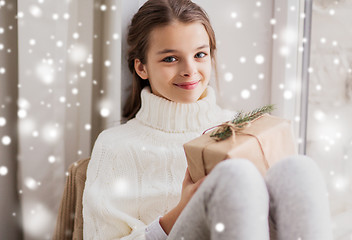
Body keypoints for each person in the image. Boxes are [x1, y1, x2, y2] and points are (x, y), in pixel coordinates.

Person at [82, 0, 334, 239]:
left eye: (200, 55)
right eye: (170, 58)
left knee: (299, 169)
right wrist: (181, 210)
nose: (189, 70)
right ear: (141, 68)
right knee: (234, 175)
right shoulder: (115, 146)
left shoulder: (239, 127)